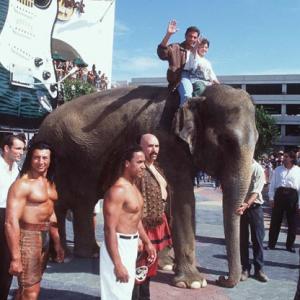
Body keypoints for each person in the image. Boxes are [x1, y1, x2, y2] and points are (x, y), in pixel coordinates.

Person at [5, 142, 64, 300]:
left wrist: (57, 242)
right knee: (31, 292)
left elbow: (51, 214)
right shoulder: (22, 185)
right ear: (30, 159)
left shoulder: (49, 183)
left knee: (28, 287)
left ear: (50, 160)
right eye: (36, 157)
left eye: (45, 158)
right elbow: (11, 221)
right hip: (28, 237)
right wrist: (16, 257)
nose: (41, 161)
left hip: (45, 237)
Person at [100, 145, 156, 300]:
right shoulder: (117, 191)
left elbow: (135, 219)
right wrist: (117, 263)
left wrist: (147, 242)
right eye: (139, 162)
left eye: (144, 162)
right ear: (126, 164)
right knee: (115, 295)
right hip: (117, 245)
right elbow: (108, 229)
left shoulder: (133, 187)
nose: (143, 166)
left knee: (125, 293)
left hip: (131, 246)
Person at [132, 134, 172, 300]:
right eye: (150, 146)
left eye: (156, 146)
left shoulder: (157, 168)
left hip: (157, 222)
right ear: (141, 147)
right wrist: (139, 236)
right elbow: (133, 205)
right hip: (143, 226)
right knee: (140, 266)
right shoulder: (138, 172)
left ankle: (144, 297)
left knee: (150, 265)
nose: (154, 149)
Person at [0, 134, 25, 300]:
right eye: (18, 148)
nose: (21, 152)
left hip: (11, 217)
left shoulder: (17, 169)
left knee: (7, 263)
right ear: (6, 148)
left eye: (23, 149)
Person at [236, 159, 269, 282]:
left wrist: (246, 204)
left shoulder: (257, 169)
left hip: (255, 208)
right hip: (241, 208)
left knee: (257, 239)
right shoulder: (239, 166)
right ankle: (245, 268)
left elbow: (256, 191)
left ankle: (259, 269)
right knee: (243, 240)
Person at [157, 20, 201, 104]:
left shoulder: (197, 51)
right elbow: (161, 53)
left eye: (195, 37)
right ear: (185, 36)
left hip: (195, 76)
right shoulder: (175, 47)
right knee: (187, 96)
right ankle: (183, 116)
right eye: (190, 36)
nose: (192, 39)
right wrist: (168, 34)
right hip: (182, 76)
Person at [267, 151, 300, 253]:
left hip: (292, 196)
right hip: (279, 195)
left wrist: (299, 203)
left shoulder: (298, 171)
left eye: (286, 157)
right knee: (275, 221)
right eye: (283, 156)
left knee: (292, 222)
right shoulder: (278, 170)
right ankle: (271, 244)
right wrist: (271, 198)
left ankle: (290, 245)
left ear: (291, 158)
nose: (283, 158)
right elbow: (272, 185)